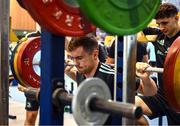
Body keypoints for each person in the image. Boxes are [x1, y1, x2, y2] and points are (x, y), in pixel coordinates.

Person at [136, 3, 180, 125]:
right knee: (129, 108)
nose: (161, 27)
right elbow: (136, 25)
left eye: (165, 23)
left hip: (178, 98)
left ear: (176, 18)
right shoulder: (157, 35)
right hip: (162, 96)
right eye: (158, 24)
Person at [66, 36, 114, 125]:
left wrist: (145, 78)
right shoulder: (80, 74)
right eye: (73, 58)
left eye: (79, 58)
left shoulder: (111, 76)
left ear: (95, 55)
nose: (75, 63)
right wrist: (68, 72)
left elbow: (144, 90)